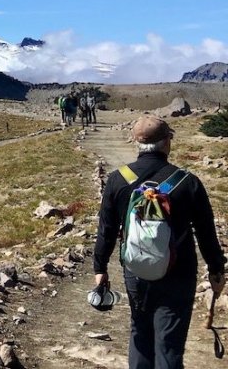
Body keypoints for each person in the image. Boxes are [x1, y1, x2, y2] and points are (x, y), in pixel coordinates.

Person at [93, 115, 227, 369]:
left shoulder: (117, 179)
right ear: (167, 142)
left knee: (140, 333)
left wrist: (100, 268)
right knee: (169, 343)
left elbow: (106, 230)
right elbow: (206, 232)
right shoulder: (188, 182)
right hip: (179, 271)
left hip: (136, 269)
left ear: (136, 142)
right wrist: (216, 270)